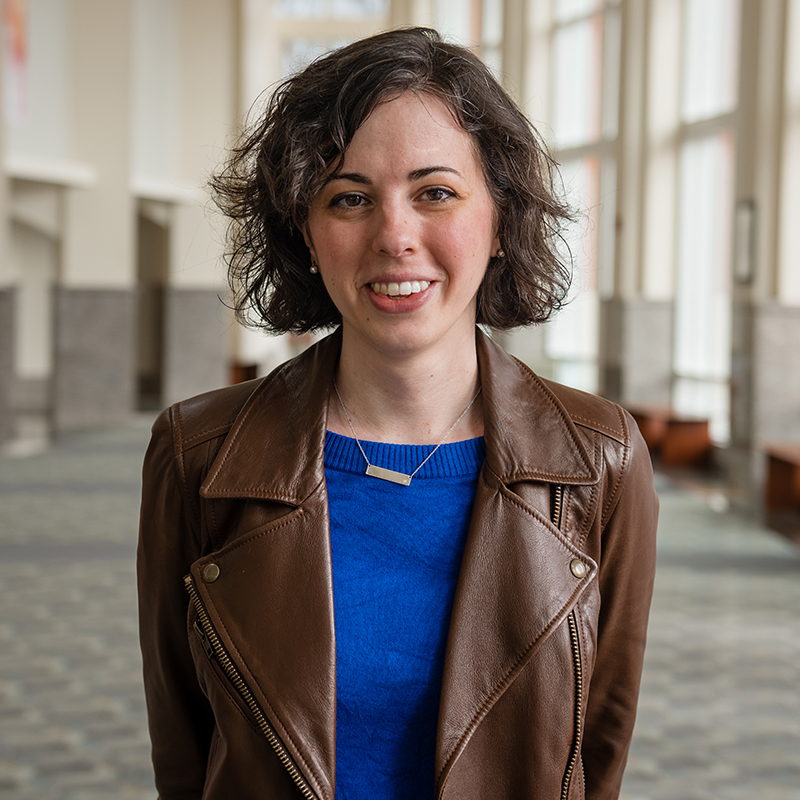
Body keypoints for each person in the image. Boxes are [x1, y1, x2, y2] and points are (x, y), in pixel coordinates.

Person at [137, 27, 658, 800]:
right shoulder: (200, 456)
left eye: (435, 192)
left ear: (500, 221)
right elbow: (185, 754)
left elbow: (594, 755)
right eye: (350, 198)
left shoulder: (599, 460)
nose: (395, 235)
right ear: (305, 232)